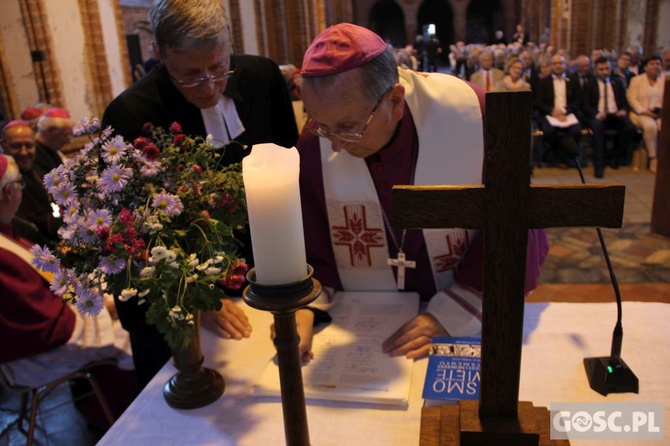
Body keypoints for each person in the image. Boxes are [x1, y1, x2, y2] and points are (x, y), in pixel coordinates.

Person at [294, 24, 548, 361]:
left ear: (395, 101)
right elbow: (310, 238)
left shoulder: (474, 116)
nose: (335, 145)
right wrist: (303, 306)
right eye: (320, 124)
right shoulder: (317, 141)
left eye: (348, 127)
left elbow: (514, 221)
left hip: (458, 299)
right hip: (362, 317)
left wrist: (452, 314)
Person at [102, 0, 299, 388]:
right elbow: (132, 235)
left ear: (229, 44)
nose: (209, 86)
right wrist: (197, 298)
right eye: (190, 74)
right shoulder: (129, 113)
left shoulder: (262, 77)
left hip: (270, 275)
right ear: (159, 54)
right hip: (192, 300)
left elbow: (290, 170)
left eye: (218, 67)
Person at [0, 153, 138, 427]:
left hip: (44, 332)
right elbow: (51, 326)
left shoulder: (6, 231)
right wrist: (109, 309)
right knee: (136, 333)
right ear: (8, 191)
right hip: (34, 355)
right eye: (20, 185)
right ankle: (124, 417)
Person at [0, 120, 62, 246]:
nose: (23, 152)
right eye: (15, 146)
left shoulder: (37, 171)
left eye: (29, 145)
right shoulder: (5, 179)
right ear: (2, 145)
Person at [582, 57, 637, 178]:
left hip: (615, 115)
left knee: (631, 128)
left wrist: (623, 110)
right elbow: (585, 105)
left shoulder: (617, 82)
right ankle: (599, 165)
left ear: (611, 68)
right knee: (598, 130)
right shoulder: (590, 84)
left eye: (607, 69)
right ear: (595, 70)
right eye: (601, 69)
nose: (604, 72)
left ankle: (614, 156)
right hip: (599, 115)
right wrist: (596, 113)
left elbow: (624, 102)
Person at [534, 54, 582, 166]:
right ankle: (552, 157)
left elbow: (578, 101)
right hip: (550, 114)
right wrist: (552, 111)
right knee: (549, 131)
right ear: (551, 66)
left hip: (568, 114)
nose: (558, 66)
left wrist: (565, 111)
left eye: (560, 63)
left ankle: (567, 158)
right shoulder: (544, 82)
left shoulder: (573, 81)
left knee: (576, 130)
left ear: (565, 65)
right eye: (555, 63)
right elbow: (538, 102)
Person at [627, 55, 665, 174]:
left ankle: (664, 158)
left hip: (659, 114)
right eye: (652, 64)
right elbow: (631, 98)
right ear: (646, 66)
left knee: (663, 127)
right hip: (641, 113)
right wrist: (644, 111)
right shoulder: (637, 80)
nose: (655, 66)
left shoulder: (664, 80)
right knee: (650, 127)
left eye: (658, 64)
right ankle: (653, 158)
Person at [34, 107, 73, 175]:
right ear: (50, 130)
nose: (68, 141)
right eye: (65, 135)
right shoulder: (34, 154)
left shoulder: (52, 150)